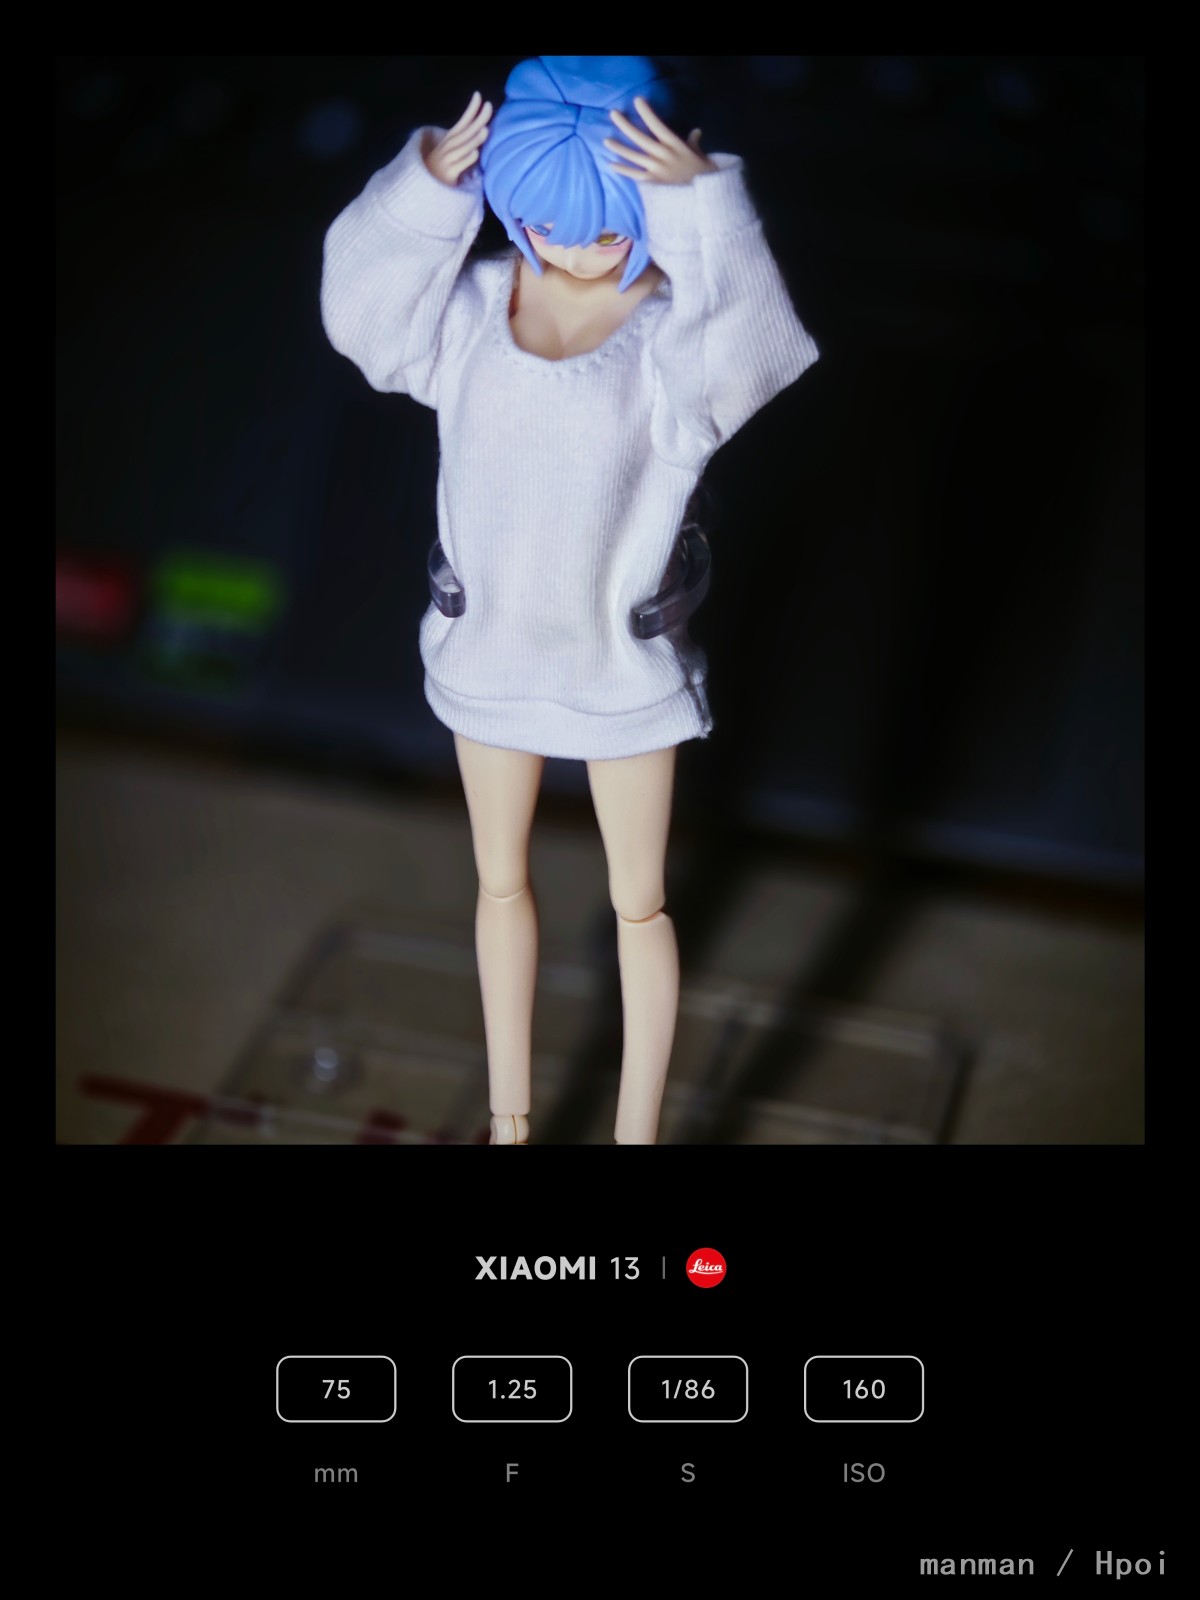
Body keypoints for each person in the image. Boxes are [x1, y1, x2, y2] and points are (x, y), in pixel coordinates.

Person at [321, 55, 819, 1144]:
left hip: (616, 666)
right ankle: (510, 1123)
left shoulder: (673, 343)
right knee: (499, 886)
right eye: (545, 221)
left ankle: (636, 1131)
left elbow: (756, 348)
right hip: (488, 652)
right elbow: (363, 317)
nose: (571, 247)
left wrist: (704, 207)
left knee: (639, 905)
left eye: (601, 227)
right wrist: (426, 188)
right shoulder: (468, 310)